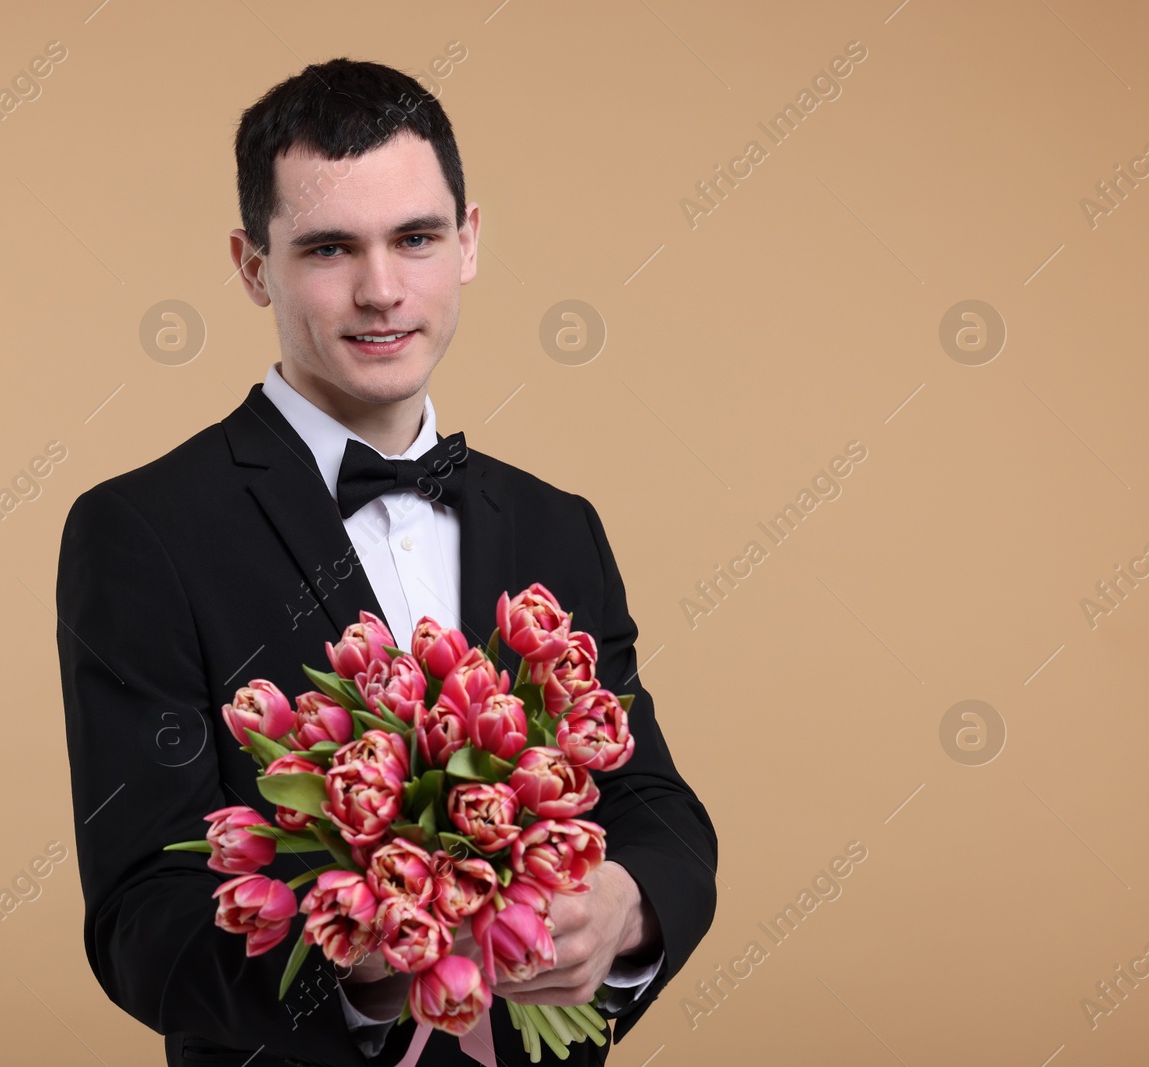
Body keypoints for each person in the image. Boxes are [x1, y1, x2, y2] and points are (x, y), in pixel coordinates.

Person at [56, 57, 717, 1067]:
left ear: (468, 242)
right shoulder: (139, 530)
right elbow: (140, 918)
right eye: (328, 248)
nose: (380, 289)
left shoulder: (556, 523)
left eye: (415, 238)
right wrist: (365, 965)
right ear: (251, 265)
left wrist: (624, 906)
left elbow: (653, 805)